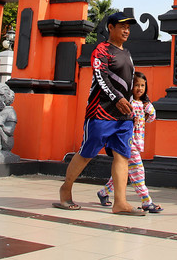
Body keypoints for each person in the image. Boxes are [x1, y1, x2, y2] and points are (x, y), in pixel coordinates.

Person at [56, 12, 144, 215]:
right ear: (110, 28)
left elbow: (129, 83)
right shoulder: (101, 50)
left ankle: (120, 203)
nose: (126, 31)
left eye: (128, 28)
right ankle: (66, 189)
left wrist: (135, 104)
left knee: (122, 156)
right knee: (87, 153)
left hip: (124, 116)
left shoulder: (127, 53)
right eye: (122, 27)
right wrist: (117, 99)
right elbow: (101, 77)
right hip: (101, 113)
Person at [97, 72, 161, 213]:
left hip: (137, 143)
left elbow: (151, 117)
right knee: (138, 172)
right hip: (127, 141)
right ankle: (146, 201)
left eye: (142, 85)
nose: (139, 88)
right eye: (136, 85)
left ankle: (103, 192)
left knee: (122, 172)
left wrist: (148, 108)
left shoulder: (144, 104)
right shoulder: (128, 102)